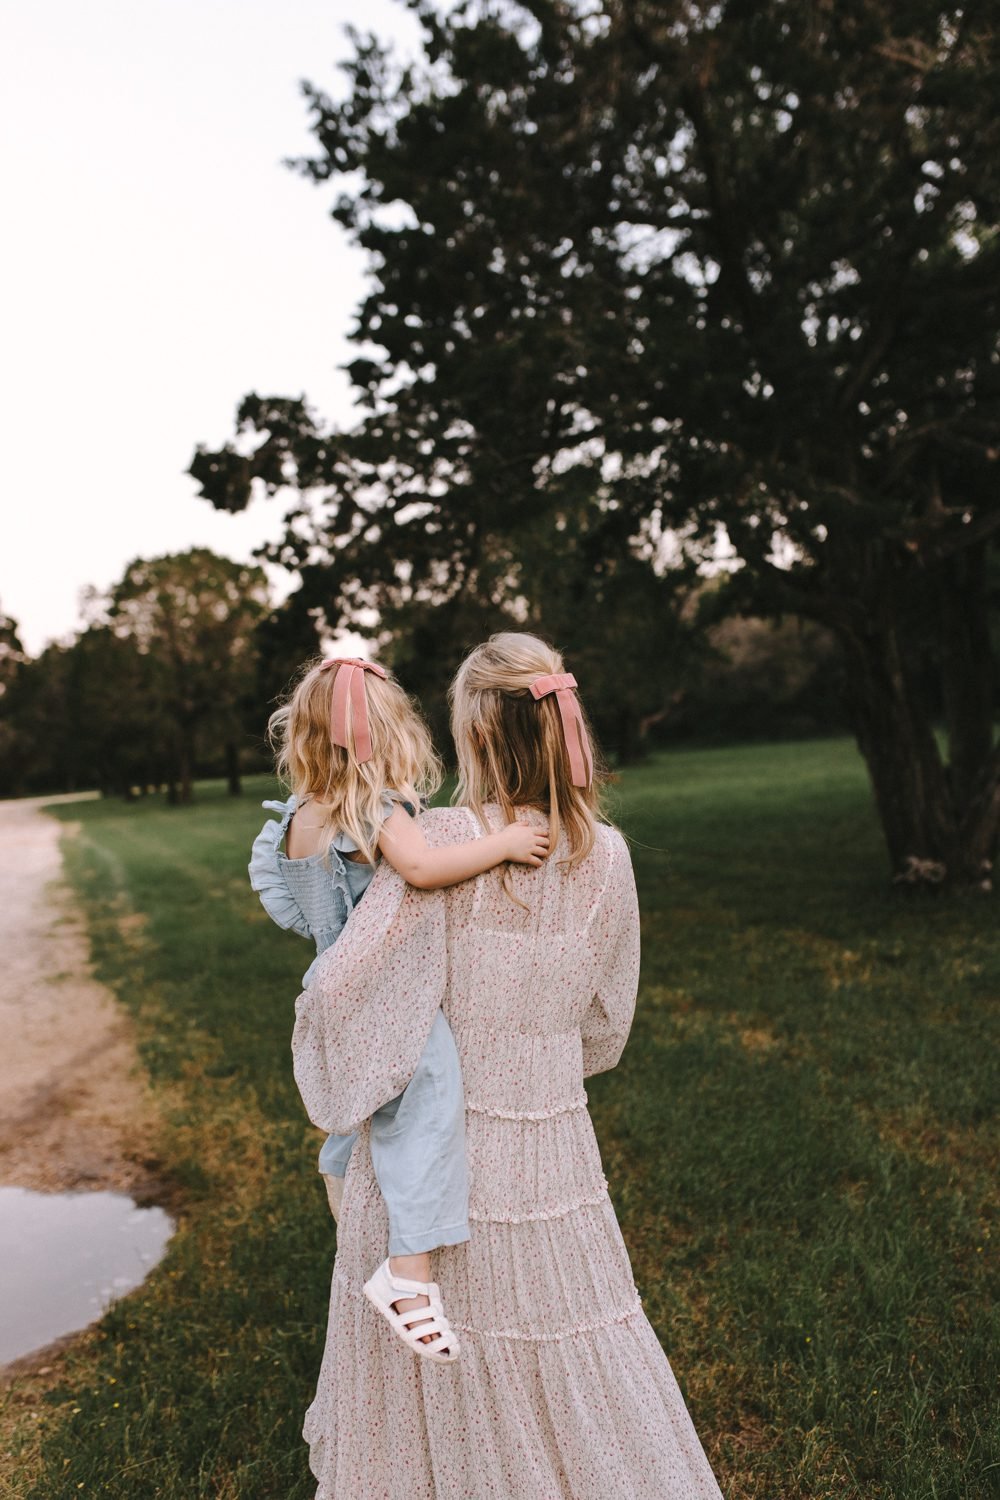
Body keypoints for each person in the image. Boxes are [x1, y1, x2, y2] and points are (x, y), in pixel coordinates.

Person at [291, 633, 726, 1499]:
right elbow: (607, 1025)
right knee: (577, 1337)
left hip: (430, 1160)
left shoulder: (439, 841)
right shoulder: (608, 855)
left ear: (477, 734)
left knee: (427, 1359)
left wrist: (344, 1069)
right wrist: (539, 1069)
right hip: (553, 1152)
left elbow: (349, 984)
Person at [250, 655, 549, 1361]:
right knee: (430, 1105)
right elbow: (421, 869)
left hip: (335, 990)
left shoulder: (297, 817)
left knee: (375, 1102)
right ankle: (408, 1275)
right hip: (389, 994)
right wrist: (504, 842)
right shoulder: (375, 811)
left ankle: (344, 1181)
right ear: (386, 734)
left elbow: (293, 907)